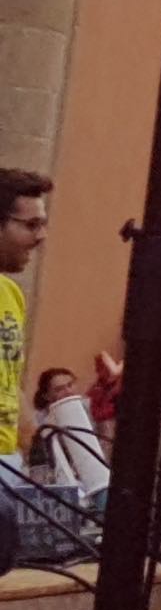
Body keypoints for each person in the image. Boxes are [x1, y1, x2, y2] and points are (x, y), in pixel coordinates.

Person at [0, 170, 44, 457]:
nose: (41, 236)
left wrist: (39, 451)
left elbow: (12, 385)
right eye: (32, 225)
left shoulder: (11, 293)